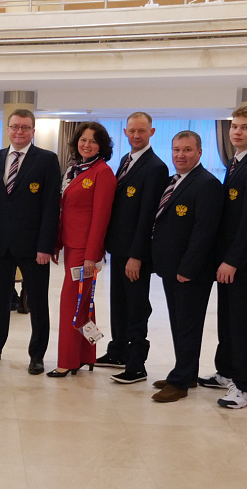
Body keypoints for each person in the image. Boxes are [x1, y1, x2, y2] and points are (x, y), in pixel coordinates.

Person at [0, 109, 61, 375]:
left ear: (33, 131)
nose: (19, 131)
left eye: (25, 127)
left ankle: (37, 355)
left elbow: (51, 206)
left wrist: (45, 246)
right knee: (1, 300)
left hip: (34, 247)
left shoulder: (47, 160)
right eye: (15, 127)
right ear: (8, 129)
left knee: (37, 302)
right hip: (1, 245)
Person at [201, 106, 247, 409]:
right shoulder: (237, 162)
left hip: (241, 262)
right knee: (227, 318)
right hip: (228, 257)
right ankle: (227, 371)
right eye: (234, 127)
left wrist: (233, 260)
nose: (237, 132)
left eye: (245, 127)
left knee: (241, 322)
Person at [149, 131, 224, 403]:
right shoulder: (175, 181)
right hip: (172, 267)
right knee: (179, 323)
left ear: (199, 152)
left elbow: (204, 232)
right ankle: (187, 372)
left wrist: (188, 268)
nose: (180, 155)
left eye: (187, 150)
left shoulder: (207, 184)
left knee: (188, 326)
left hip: (191, 272)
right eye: (176, 149)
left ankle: (180, 382)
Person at [97, 111, 170, 384]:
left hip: (134, 253)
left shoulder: (155, 167)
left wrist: (136, 255)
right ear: (125, 132)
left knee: (136, 307)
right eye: (132, 131)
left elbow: (148, 216)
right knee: (119, 303)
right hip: (119, 248)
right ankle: (118, 351)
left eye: (141, 131)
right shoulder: (126, 161)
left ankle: (137, 363)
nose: (136, 135)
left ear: (152, 132)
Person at [48, 122, 115, 377]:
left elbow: (101, 217)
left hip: (85, 249)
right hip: (70, 243)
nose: (87, 145)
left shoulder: (102, 172)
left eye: (93, 141)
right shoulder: (74, 169)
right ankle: (86, 355)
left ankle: (67, 361)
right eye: (83, 140)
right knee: (83, 302)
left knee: (70, 303)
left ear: (102, 146)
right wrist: (57, 242)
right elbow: (64, 209)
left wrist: (91, 255)